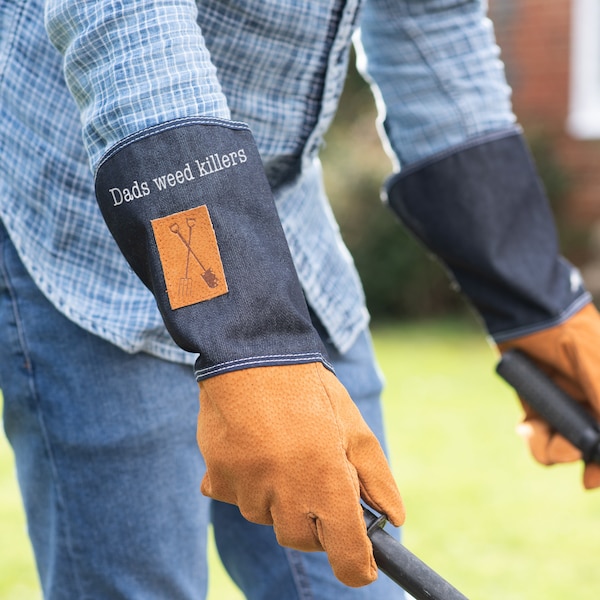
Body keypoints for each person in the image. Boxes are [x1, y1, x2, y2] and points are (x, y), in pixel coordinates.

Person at [1, 1, 598, 600]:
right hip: (79, 230)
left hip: (281, 226)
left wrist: (532, 296)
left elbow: (430, 19)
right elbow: (126, 15)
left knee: (357, 580)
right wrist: (248, 337)